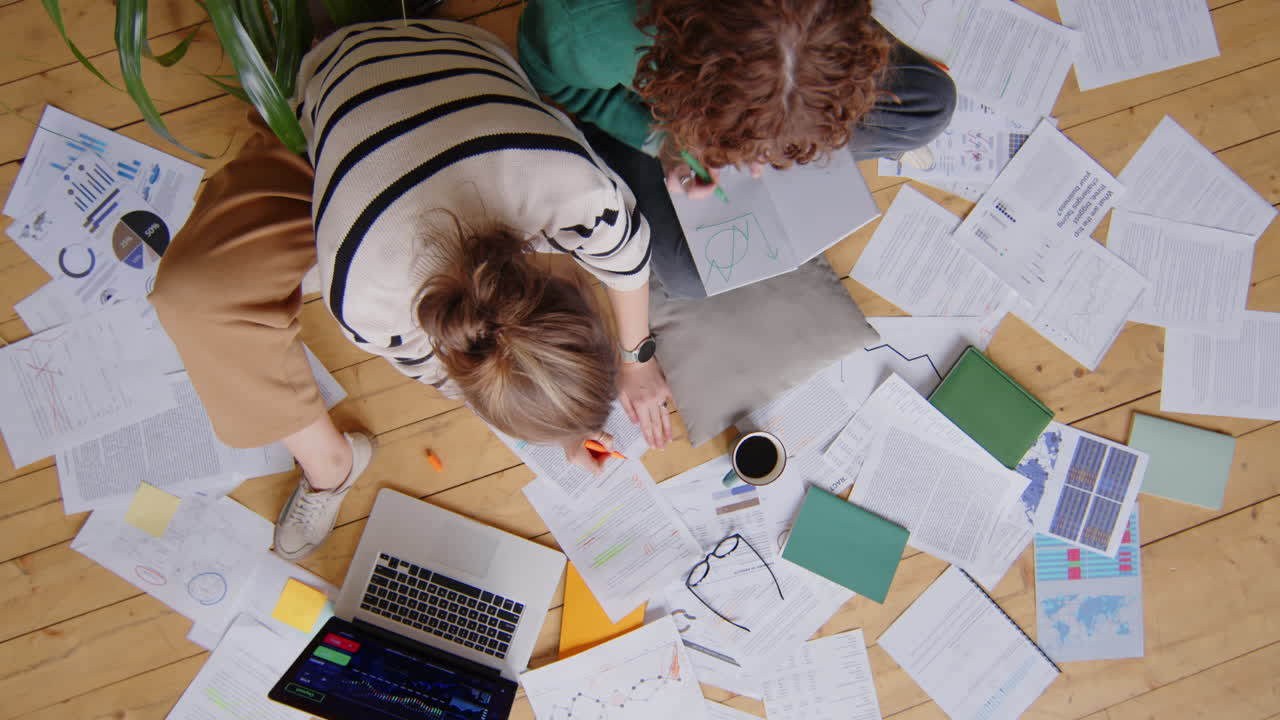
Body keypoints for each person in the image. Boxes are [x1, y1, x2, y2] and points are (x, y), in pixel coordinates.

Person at [150, 19, 680, 562]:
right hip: (327, 108)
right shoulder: (365, 299)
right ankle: (330, 464)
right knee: (197, 299)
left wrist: (634, 360)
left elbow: (626, 255)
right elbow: (466, 370)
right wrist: (561, 427)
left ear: (569, 289)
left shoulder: (571, 184)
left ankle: (331, 462)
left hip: (451, 59)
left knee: (207, 292)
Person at [517, 0, 957, 297]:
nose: (760, 165)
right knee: (691, 274)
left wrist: (787, 130)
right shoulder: (579, 29)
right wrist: (664, 141)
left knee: (932, 103)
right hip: (652, 118)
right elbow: (565, 90)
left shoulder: (822, 37)